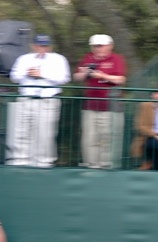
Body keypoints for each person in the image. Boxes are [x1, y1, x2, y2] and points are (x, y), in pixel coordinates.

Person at [6, 35, 70, 168]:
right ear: (33, 45)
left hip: (47, 100)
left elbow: (64, 78)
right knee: (22, 132)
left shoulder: (58, 59)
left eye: (45, 45)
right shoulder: (24, 59)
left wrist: (42, 74)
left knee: (45, 133)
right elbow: (14, 76)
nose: (42, 48)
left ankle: (43, 163)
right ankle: (20, 162)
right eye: (40, 45)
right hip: (26, 99)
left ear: (50, 46)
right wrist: (27, 73)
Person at [73, 33, 127, 169]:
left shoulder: (116, 59)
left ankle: (107, 166)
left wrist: (102, 75)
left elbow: (121, 79)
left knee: (108, 138)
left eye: (100, 46)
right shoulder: (87, 58)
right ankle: (90, 165)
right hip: (90, 105)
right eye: (95, 46)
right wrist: (85, 73)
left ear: (110, 46)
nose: (97, 49)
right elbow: (76, 77)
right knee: (89, 137)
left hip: (111, 106)